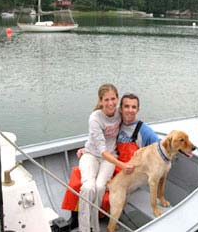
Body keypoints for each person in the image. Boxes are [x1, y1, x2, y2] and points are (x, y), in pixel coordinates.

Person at [61, 92, 159, 231]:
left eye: (133, 107)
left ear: (138, 109)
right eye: (126, 106)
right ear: (120, 108)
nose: (130, 111)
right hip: (113, 162)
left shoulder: (144, 130)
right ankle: (75, 217)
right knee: (77, 176)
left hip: (129, 171)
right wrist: (86, 148)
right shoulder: (118, 122)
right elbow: (103, 139)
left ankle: (100, 217)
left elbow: (159, 148)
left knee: (106, 192)